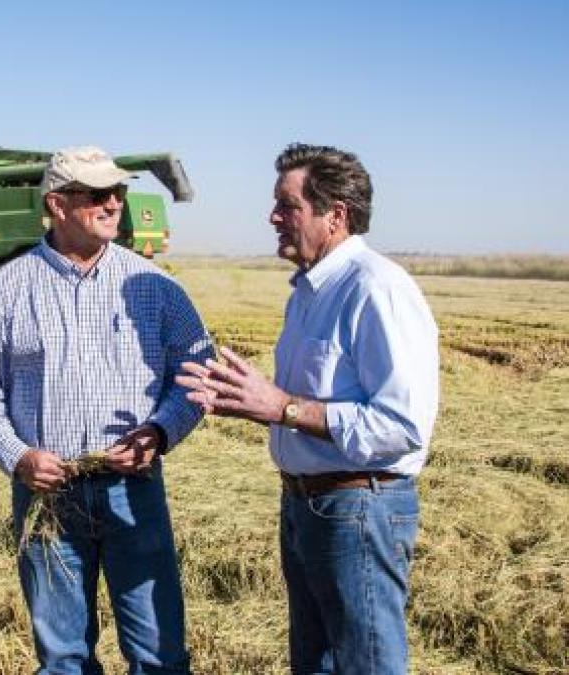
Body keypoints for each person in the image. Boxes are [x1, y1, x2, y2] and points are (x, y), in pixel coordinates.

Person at [176, 143, 439, 674]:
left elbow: (402, 427)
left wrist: (281, 408)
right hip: (306, 507)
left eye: (286, 205)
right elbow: (299, 403)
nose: (272, 217)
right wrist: (245, 399)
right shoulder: (307, 294)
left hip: (359, 510)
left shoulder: (377, 288)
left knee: (366, 664)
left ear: (334, 215)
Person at [0, 145, 213, 674]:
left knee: (160, 656)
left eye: (117, 192)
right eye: (97, 194)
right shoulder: (6, 289)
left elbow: (196, 373)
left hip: (132, 492)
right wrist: (18, 456)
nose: (114, 203)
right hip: (48, 495)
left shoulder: (156, 288)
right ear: (57, 204)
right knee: (63, 659)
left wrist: (160, 433)